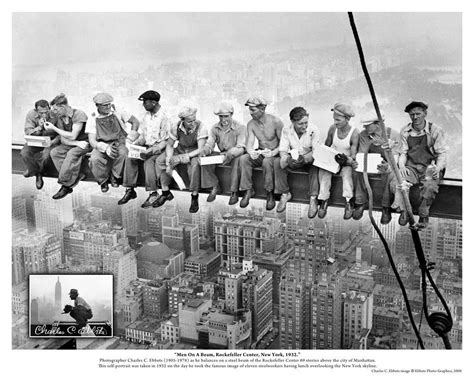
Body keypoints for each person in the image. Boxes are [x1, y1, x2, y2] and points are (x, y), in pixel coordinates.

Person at [391, 101, 448, 228]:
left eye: (418, 114)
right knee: (400, 181)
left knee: (429, 187)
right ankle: (404, 210)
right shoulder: (405, 131)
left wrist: (437, 168)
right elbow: (403, 152)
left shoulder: (435, 130)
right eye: (412, 115)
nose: (415, 117)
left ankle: (423, 215)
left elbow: (442, 154)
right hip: (412, 166)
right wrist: (402, 167)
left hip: (430, 167)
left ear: (425, 114)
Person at [118, 90, 171, 208]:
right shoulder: (146, 116)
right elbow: (143, 136)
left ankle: (153, 193)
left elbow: (165, 141)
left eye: (145, 102)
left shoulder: (165, 117)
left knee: (148, 161)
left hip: (160, 149)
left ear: (153, 102)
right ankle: (130, 189)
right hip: (147, 146)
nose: (144, 105)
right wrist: (136, 145)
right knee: (130, 156)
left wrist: (151, 150)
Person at [86, 92, 140, 193]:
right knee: (94, 159)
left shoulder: (117, 110)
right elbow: (92, 141)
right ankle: (103, 181)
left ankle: (115, 176)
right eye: (105, 105)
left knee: (123, 154)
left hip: (119, 141)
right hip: (102, 143)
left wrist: (130, 139)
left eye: (109, 104)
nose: (108, 107)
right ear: (97, 106)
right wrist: (105, 148)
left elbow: (135, 122)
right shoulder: (93, 117)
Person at [352, 113, 399, 224]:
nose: (364, 127)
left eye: (368, 125)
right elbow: (362, 153)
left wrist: (387, 166)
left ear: (378, 124)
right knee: (357, 171)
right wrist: (358, 163)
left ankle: (385, 207)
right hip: (370, 164)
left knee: (389, 174)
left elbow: (395, 158)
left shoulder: (393, 135)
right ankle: (361, 201)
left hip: (387, 164)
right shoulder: (364, 135)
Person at [239, 97, 285, 210]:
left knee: (267, 162)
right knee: (244, 159)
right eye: (249, 109)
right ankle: (248, 190)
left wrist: (273, 152)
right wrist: (251, 152)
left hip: (275, 154)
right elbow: (249, 143)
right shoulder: (251, 124)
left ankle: (270, 193)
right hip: (261, 151)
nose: (250, 112)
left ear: (262, 109)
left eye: (253, 110)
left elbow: (284, 144)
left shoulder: (276, 122)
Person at [159, 106, 208, 213]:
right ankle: (165, 191)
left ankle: (194, 195)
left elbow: (201, 149)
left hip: (194, 152)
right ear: (183, 120)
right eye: (190, 121)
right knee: (162, 160)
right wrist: (169, 158)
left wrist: (184, 158)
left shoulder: (201, 127)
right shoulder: (176, 127)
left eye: (194, 120)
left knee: (194, 165)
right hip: (181, 149)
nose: (193, 123)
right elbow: (170, 145)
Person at [44, 93, 91, 199]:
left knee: (72, 154)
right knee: (55, 152)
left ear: (63, 107)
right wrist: (76, 143)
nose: (54, 112)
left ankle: (65, 185)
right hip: (75, 143)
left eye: (56, 109)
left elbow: (73, 135)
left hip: (85, 143)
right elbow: (63, 138)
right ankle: (77, 175)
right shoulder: (60, 118)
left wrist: (54, 128)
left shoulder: (79, 114)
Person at [318, 103, 359, 219]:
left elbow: (353, 155)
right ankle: (324, 200)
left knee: (347, 174)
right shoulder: (332, 129)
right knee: (325, 172)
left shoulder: (354, 133)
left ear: (347, 119)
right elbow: (327, 145)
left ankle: (348, 201)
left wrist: (346, 159)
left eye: (338, 120)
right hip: (333, 159)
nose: (335, 122)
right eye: (334, 119)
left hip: (345, 161)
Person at [278, 107, 321, 217]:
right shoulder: (286, 130)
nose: (304, 126)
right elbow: (283, 149)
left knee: (315, 167)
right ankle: (285, 193)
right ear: (293, 122)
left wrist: (304, 159)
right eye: (300, 124)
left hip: (308, 159)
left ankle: (313, 199)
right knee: (278, 163)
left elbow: (317, 152)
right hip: (294, 158)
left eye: (306, 123)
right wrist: (286, 158)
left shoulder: (314, 130)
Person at [200, 102, 246, 204]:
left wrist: (230, 154)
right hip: (223, 154)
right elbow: (210, 143)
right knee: (205, 160)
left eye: (226, 116)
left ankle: (234, 191)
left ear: (231, 115)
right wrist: (205, 150)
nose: (223, 120)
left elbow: (241, 147)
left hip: (235, 154)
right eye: (221, 117)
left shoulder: (240, 127)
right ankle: (215, 185)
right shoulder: (215, 128)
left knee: (237, 161)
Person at [20, 99, 59, 190]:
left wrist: (52, 142)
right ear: (36, 111)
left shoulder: (56, 115)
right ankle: (35, 172)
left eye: (46, 112)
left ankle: (36, 173)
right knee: (24, 153)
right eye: (41, 113)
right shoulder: (31, 114)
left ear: (49, 108)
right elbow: (28, 132)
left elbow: (60, 133)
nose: (44, 115)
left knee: (46, 156)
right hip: (36, 140)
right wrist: (39, 128)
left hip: (50, 141)